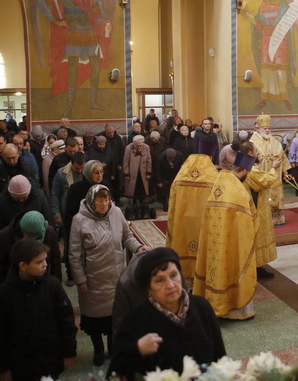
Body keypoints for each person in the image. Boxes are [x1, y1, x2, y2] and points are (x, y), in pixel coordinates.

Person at [109, 247, 226, 380]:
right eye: (160, 280)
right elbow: (115, 370)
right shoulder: (136, 320)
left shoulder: (202, 308)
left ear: (181, 275)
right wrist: (137, 350)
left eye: (173, 275)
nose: (170, 285)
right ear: (149, 289)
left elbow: (220, 357)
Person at [69, 184, 148, 366]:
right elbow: (74, 253)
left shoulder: (116, 213)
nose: (104, 203)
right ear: (91, 200)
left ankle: (113, 348)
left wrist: (138, 247)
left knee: (115, 315)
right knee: (94, 320)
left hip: (115, 274)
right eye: (99, 200)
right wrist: (80, 278)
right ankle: (98, 349)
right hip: (93, 277)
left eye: (106, 199)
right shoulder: (79, 220)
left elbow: (126, 236)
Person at [0, 239, 77, 381]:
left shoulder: (52, 285)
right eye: (39, 262)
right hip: (20, 364)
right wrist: (2, 368)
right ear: (23, 266)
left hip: (50, 359)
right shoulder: (5, 293)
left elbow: (66, 321)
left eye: (45, 260)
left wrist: (69, 352)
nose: (45, 265)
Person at [39, 0, 111, 116]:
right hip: (74, 35)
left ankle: (94, 102)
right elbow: (42, 2)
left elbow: (98, 16)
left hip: (91, 34)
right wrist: (55, 20)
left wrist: (105, 25)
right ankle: (70, 105)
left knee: (96, 68)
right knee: (72, 70)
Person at [193, 152, 258, 320]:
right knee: (233, 264)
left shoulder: (219, 182)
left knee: (216, 267)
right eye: (248, 172)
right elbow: (252, 218)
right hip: (232, 241)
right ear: (244, 170)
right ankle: (235, 309)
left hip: (214, 240)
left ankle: (213, 304)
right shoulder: (239, 191)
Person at [166, 139, 218, 282]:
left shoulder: (182, 174)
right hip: (203, 223)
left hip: (182, 222)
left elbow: (173, 197)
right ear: (211, 157)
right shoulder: (213, 177)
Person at [248, 0, 298, 110]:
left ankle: (284, 97)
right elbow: (259, 22)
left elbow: (289, 24)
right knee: (266, 68)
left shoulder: (285, 6)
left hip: (280, 40)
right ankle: (265, 97)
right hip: (266, 39)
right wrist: (251, 19)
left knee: (280, 67)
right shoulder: (264, 4)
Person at [0, 210, 62, 297]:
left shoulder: (49, 233)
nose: (34, 241)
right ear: (21, 231)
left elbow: (55, 262)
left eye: (37, 237)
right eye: (30, 237)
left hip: (44, 284)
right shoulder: (4, 236)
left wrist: (57, 289)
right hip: (16, 285)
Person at [242, 140, 284, 279]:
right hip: (254, 207)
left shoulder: (242, 164)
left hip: (250, 205)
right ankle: (256, 267)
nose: (258, 152)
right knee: (257, 235)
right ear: (250, 153)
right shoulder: (249, 169)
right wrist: (274, 167)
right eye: (256, 150)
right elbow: (266, 181)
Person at [249, 115, 290, 225]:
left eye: (268, 128)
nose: (267, 131)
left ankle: (277, 219)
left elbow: (282, 156)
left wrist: (285, 171)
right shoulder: (253, 142)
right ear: (258, 129)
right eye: (265, 129)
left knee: (276, 196)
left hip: (276, 174)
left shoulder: (274, 141)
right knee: (265, 197)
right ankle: (265, 219)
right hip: (262, 174)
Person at [122, 135, 152, 219]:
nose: (139, 147)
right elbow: (125, 162)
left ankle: (143, 209)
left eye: (140, 145)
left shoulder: (146, 147)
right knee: (133, 192)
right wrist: (126, 173)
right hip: (132, 174)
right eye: (138, 146)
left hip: (143, 174)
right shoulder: (128, 148)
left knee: (143, 191)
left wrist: (148, 172)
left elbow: (149, 160)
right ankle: (133, 209)